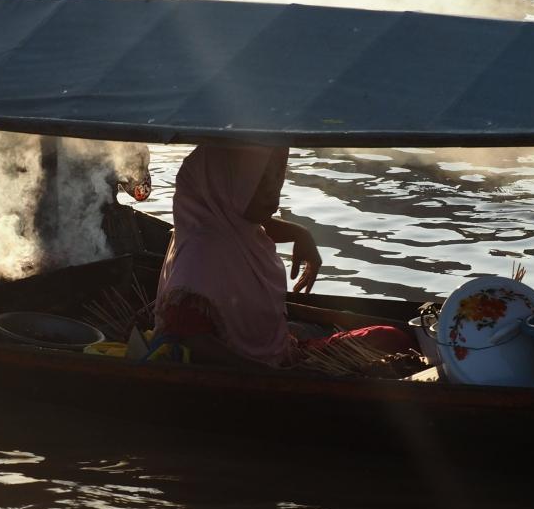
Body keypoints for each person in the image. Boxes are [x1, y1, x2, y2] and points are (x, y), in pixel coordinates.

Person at [152, 145, 413, 368]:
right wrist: (271, 377)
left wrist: (301, 234)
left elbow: (258, 220)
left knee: (391, 338)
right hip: (261, 372)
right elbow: (187, 338)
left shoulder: (236, 229)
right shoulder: (200, 256)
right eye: (262, 178)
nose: (274, 188)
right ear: (228, 183)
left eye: (279, 174)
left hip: (282, 351)